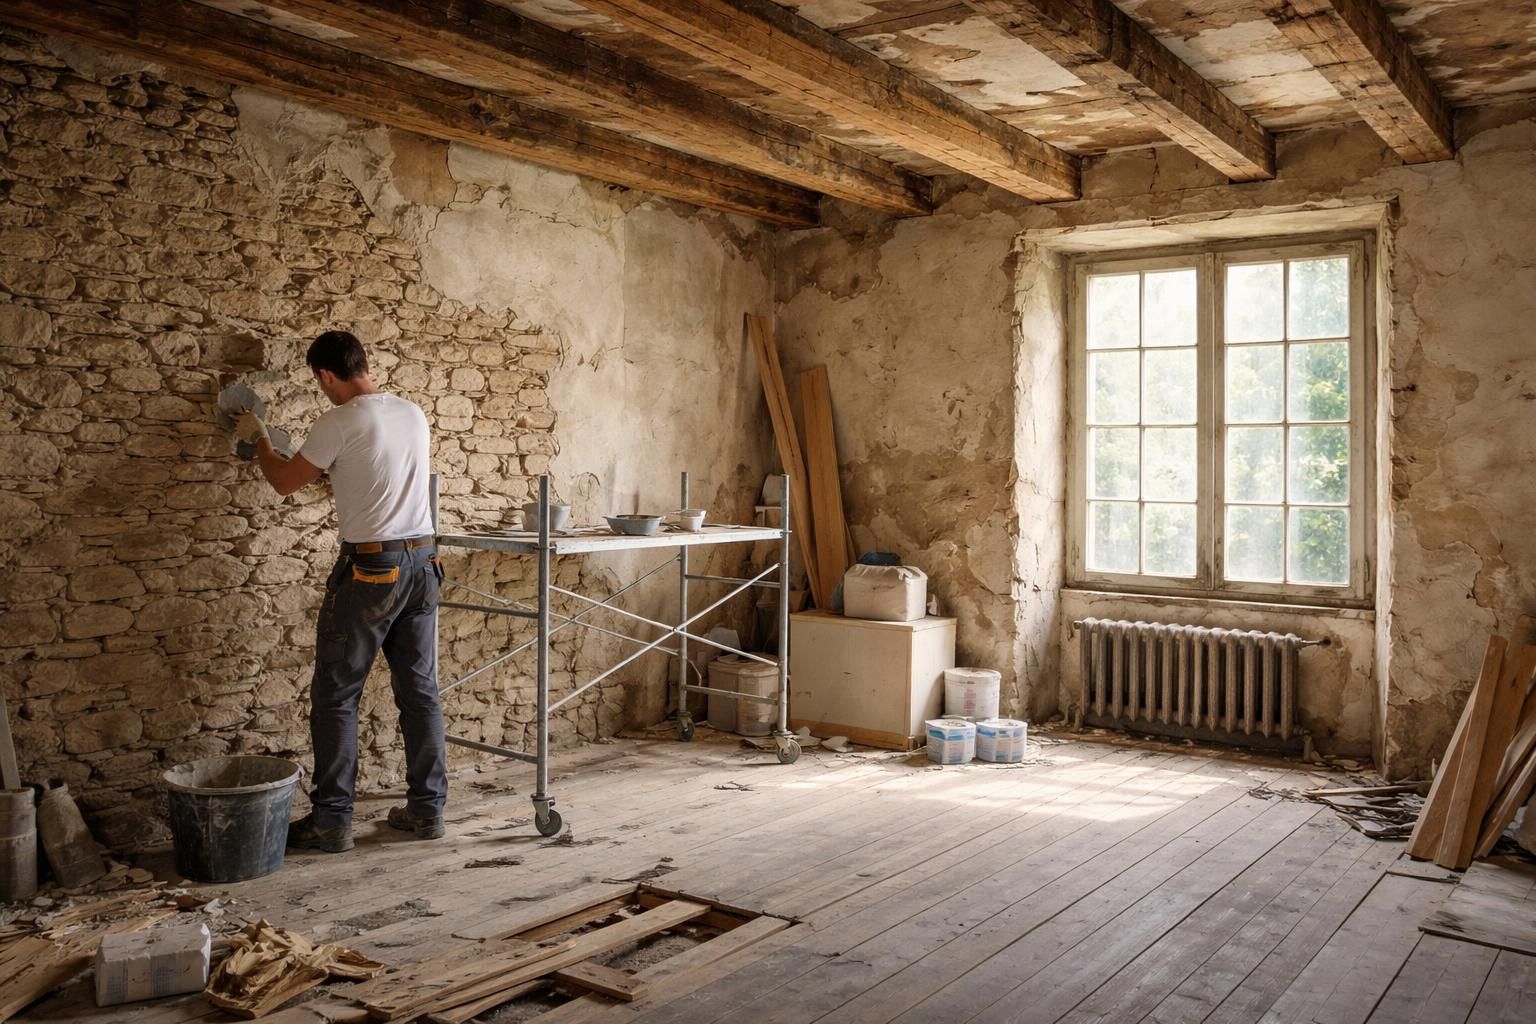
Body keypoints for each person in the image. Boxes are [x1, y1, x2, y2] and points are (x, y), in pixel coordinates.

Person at [235, 330, 447, 853]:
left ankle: (332, 821)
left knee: (336, 694)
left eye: (319, 381)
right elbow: (375, 474)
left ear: (326, 375)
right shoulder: (411, 413)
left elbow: (284, 481)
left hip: (373, 568)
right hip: (423, 560)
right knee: (420, 690)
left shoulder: (338, 420)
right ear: (363, 364)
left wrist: (259, 435)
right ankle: (427, 810)